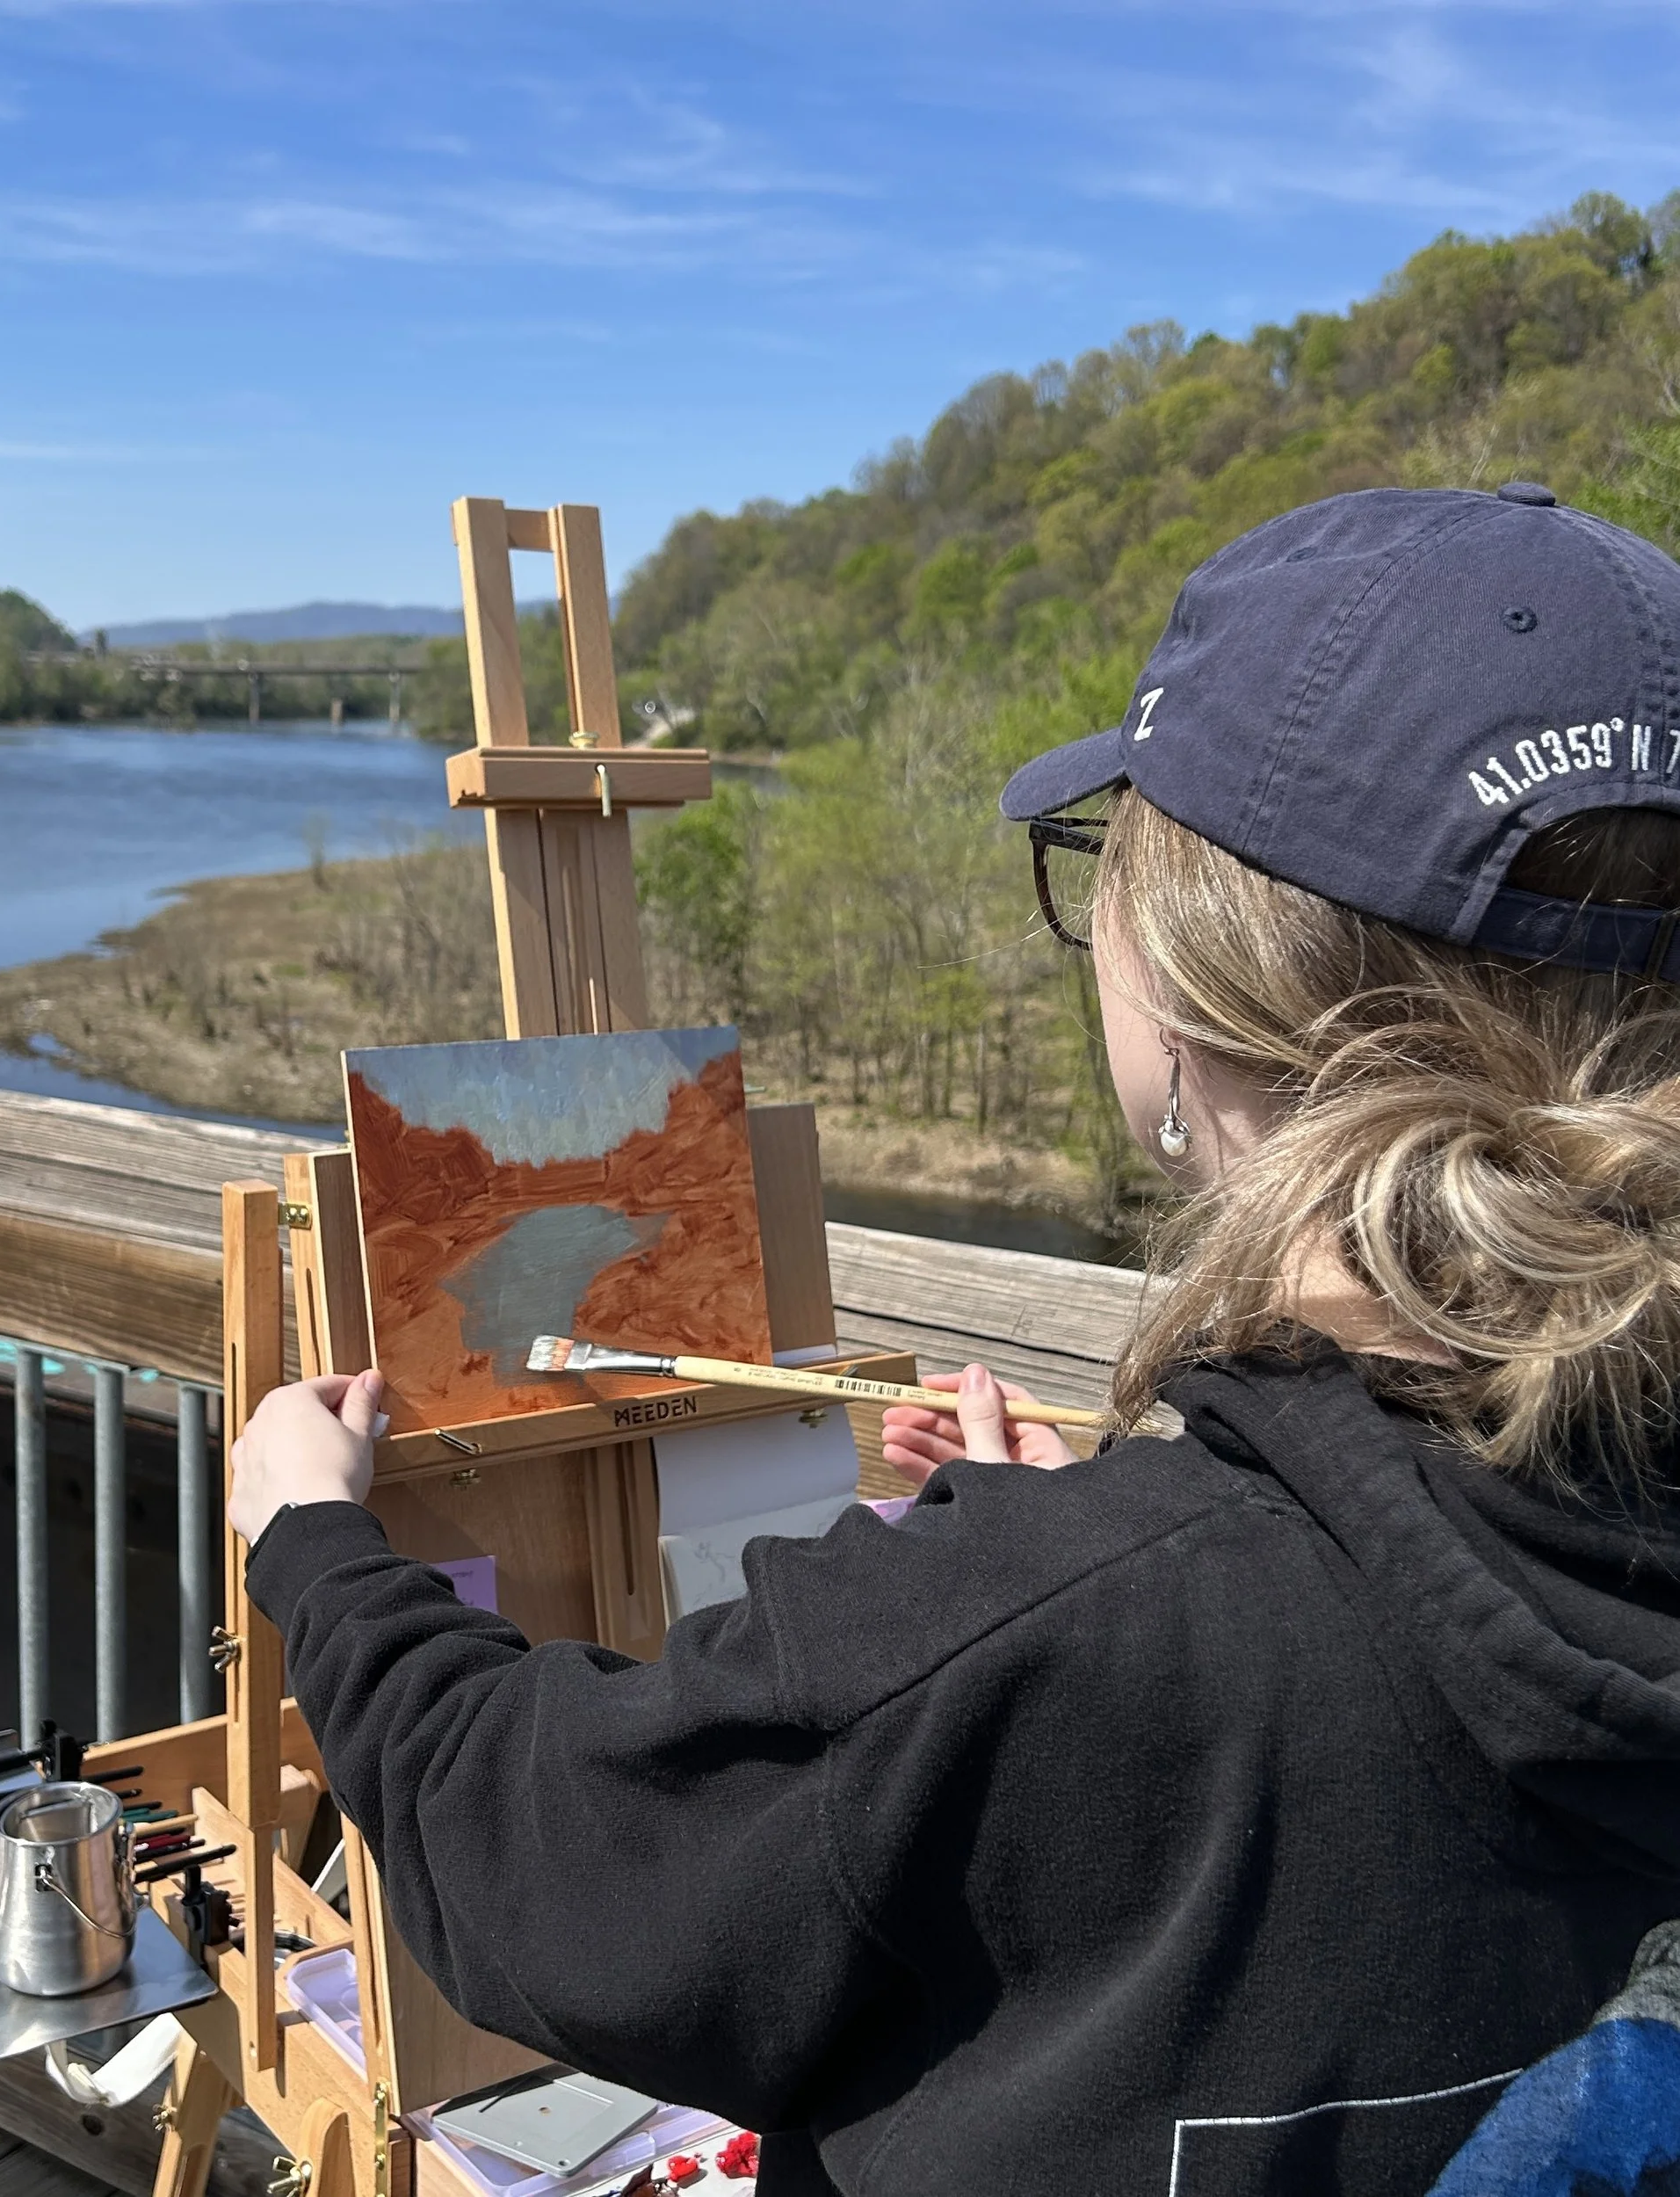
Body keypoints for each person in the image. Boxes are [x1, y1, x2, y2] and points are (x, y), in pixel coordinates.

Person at [228, 482, 1680, 2196]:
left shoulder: (1045, 1633)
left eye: (1109, 867)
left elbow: (530, 1863)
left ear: (1201, 981)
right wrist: (1117, 1544)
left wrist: (316, 1538)